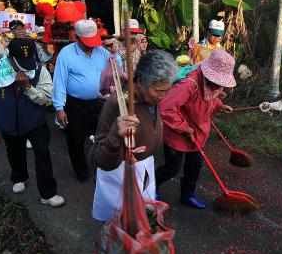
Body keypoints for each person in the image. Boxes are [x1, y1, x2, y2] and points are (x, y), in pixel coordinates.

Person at [90, 50, 178, 221]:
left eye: (167, 91)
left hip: (144, 169)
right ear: (141, 82)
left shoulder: (152, 98)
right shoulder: (117, 103)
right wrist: (115, 135)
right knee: (122, 226)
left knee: (143, 222)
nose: (163, 96)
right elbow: (99, 158)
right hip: (120, 176)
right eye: (159, 91)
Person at [0, 37, 64, 207]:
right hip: (8, 122)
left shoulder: (39, 69)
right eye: (20, 63)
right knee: (14, 152)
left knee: (43, 154)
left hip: (35, 122)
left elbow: (46, 98)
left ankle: (48, 193)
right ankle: (19, 177)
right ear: (9, 57)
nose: (25, 67)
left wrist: (28, 87)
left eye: (28, 62)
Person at [155, 50, 235, 209]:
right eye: (218, 80)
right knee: (172, 168)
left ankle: (187, 195)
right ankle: (152, 186)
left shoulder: (213, 83)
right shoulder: (190, 84)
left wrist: (220, 105)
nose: (220, 85)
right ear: (208, 73)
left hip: (197, 132)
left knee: (195, 166)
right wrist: (184, 128)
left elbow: (210, 99)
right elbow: (165, 108)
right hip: (177, 131)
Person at [52, 19, 123, 182]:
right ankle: (81, 172)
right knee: (75, 140)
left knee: (103, 137)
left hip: (99, 102)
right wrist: (59, 107)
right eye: (87, 42)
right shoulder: (67, 53)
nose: (91, 45)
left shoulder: (102, 51)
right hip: (75, 104)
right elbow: (59, 81)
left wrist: (115, 54)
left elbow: (116, 69)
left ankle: (102, 167)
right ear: (77, 37)